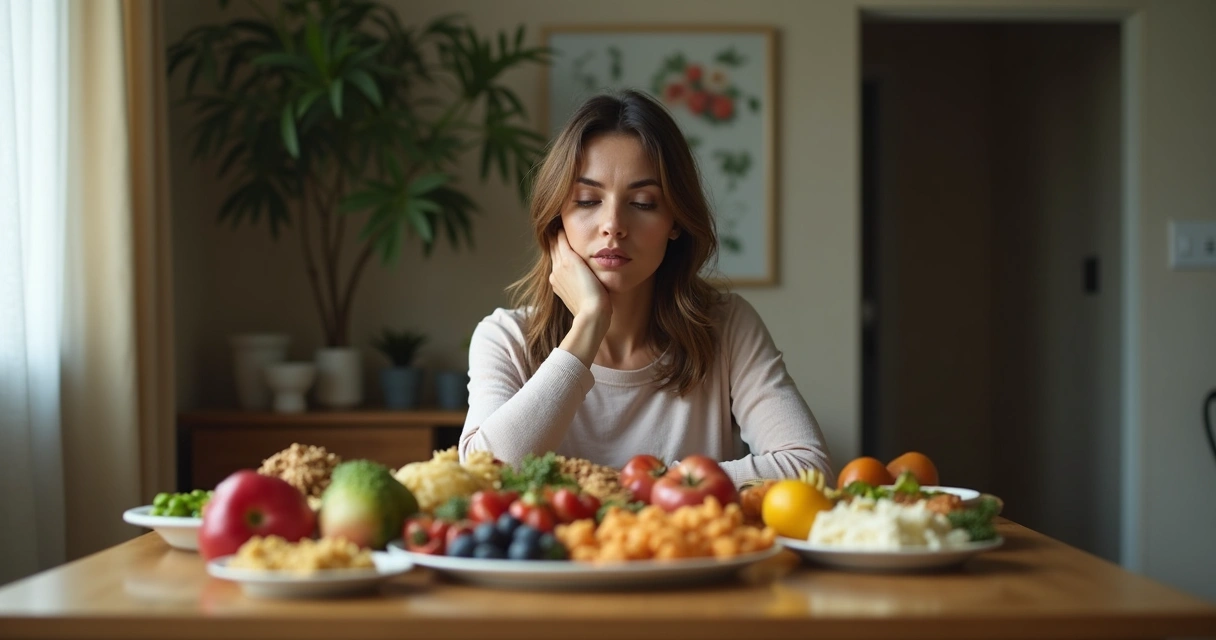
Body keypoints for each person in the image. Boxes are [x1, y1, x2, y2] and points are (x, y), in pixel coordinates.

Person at [459, 89, 833, 486]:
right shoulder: (505, 338)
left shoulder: (727, 326)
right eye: (587, 200)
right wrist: (589, 324)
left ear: (675, 222)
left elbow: (807, 469)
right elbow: (482, 479)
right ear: (557, 220)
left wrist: (638, 487)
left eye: (642, 203)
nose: (613, 225)